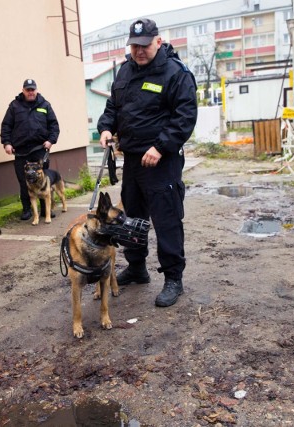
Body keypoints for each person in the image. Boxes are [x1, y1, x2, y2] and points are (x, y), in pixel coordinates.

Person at [97, 18, 198, 308]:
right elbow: (113, 107)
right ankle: (138, 268)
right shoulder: (125, 71)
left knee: (166, 220)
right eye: (134, 46)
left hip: (161, 161)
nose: (138, 51)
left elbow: (185, 116)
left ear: (158, 41)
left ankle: (173, 278)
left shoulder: (175, 73)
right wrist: (105, 127)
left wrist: (161, 146)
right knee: (133, 219)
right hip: (132, 159)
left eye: (143, 46)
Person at [0, 79, 60, 220]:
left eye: (32, 89)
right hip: (21, 151)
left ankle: (46, 211)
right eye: (28, 90)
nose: (30, 92)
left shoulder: (45, 105)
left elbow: (54, 126)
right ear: (23, 90)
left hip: (40, 149)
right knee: (24, 181)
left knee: (43, 180)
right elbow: (6, 126)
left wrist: (51, 141)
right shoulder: (14, 106)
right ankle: (27, 210)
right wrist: (7, 143)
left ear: (36, 90)